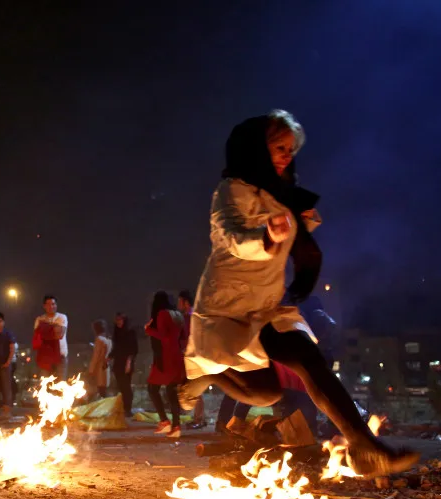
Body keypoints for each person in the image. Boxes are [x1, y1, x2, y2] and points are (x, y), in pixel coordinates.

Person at [181, 109, 417, 476]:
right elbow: (228, 237)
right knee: (265, 394)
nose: (287, 156)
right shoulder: (232, 190)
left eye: (291, 149)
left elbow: (301, 244)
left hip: (269, 304)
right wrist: (267, 237)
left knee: (309, 362)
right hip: (230, 304)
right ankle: (208, 375)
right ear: (256, 148)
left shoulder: (283, 194)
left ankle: (365, 448)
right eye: (279, 147)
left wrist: (300, 247)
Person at [146, 291, 186, 438]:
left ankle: (165, 421)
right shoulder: (177, 315)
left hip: (165, 356)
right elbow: (183, 336)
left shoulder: (162, 314)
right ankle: (175, 426)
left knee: (152, 388)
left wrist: (149, 330)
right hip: (176, 355)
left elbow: (164, 336)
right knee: (171, 391)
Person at [177, 290, 205, 429]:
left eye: (180, 301)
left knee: (195, 387)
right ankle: (198, 418)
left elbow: (188, 337)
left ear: (186, 302)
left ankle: (199, 419)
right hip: (195, 356)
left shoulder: (190, 317)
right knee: (194, 387)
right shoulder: (195, 316)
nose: (178, 304)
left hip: (192, 357)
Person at [33, 295, 69, 380]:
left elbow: (60, 335)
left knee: (60, 386)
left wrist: (45, 328)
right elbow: (37, 336)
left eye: (53, 304)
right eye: (48, 304)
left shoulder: (62, 317)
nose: (51, 306)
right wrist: (54, 327)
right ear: (44, 306)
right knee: (45, 386)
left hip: (61, 355)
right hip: (45, 357)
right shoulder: (39, 319)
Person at [109, 312, 138, 417]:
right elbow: (116, 348)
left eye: (120, 320)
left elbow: (133, 349)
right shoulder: (117, 332)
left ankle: (128, 409)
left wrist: (129, 363)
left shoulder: (130, 332)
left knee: (126, 386)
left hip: (127, 363)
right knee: (120, 386)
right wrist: (109, 357)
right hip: (118, 363)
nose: (118, 322)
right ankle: (122, 407)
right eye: (116, 320)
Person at [88, 319, 113, 399]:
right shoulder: (109, 340)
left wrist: (91, 370)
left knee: (99, 390)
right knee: (104, 389)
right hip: (106, 366)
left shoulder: (99, 339)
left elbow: (96, 356)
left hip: (99, 367)